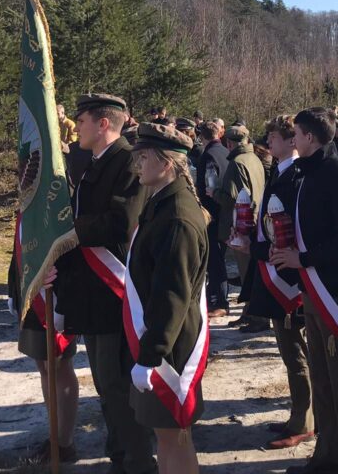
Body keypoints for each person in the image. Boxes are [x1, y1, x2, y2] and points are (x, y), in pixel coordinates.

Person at [51, 93, 155, 474]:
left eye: (82, 120)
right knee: (105, 384)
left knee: (116, 385)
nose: (76, 126)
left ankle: (137, 462)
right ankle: (120, 456)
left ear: (103, 123)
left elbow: (121, 223)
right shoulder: (97, 160)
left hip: (115, 293)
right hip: (93, 291)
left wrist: (67, 230)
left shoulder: (127, 161)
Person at [271, 107, 338, 474]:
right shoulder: (308, 173)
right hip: (313, 288)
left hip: (335, 294)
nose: (292, 140)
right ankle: (327, 454)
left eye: (295, 134)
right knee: (322, 379)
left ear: (310, 137)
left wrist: (304, 258)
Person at [126, 123, 208, 474]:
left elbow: (171, 295)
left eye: (144, 157)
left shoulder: (176, 216)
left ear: (167, 163)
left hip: (170, 348)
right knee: (171, 436)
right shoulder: (162, 203)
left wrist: (151, 354)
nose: (138, 164)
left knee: (172, 437)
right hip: (165, 340)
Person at [246, 114, 314, 449]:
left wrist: (257, 246)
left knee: (296, 350)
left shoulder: (297, 176)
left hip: (288, 276)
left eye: (274, 136)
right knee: (289, 351)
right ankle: (297, 414)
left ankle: (304, 419)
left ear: (292, 141)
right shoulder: (281, 171)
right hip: (275, 267)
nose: (268, 141)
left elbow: (290, 232)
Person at [214, 124, 266, 326]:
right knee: (250, 271)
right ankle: (249, 313)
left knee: (247, 273)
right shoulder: (254, 159)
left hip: (241, 223)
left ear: (228, 143)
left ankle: (257, 318)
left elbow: (233, 198)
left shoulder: (236, 163)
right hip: (255, 220)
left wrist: (215, 193)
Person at [197, 121, 229, 317]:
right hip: (224, 212)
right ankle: (217, 297)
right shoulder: (225, 152)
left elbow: (210, 185)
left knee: (215, 260)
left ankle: (220, 301)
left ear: (201, 136)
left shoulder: (207, 156)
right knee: (218, 257)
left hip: (212, 212)